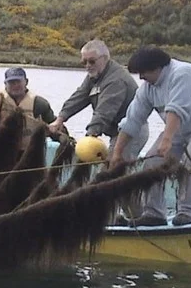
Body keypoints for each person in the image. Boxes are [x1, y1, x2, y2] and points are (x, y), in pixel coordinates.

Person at [111, 46, 191, 227]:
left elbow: (177, 110)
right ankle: (154, 213)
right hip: (178, 129)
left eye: (143, 73)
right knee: (151, 162)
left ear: (157, 68)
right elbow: (132, 121)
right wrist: (117, 154)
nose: (141, 78)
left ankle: (187, 213)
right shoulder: (147, 89)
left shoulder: (183, 74)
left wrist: (167, 140)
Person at [48, 39, 149, 218]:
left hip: (132, 131)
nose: (87, 65)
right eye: (84, 62)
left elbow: (105, 110)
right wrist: (60, 119)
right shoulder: (95, 75)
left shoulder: (116, 79)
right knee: (117, 176)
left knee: (111, 174)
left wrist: (91, 133)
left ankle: (131, 219)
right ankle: (132, 217)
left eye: (92, 61)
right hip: (116, 133)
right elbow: (79, 96)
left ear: (105, 58)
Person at [0, 67, 56, 146]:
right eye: (11, 82)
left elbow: (54, 125)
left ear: (26, 82)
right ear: (5, 84)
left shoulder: (39, 103)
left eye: (18, 81)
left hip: (26, 152)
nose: (15, 85)